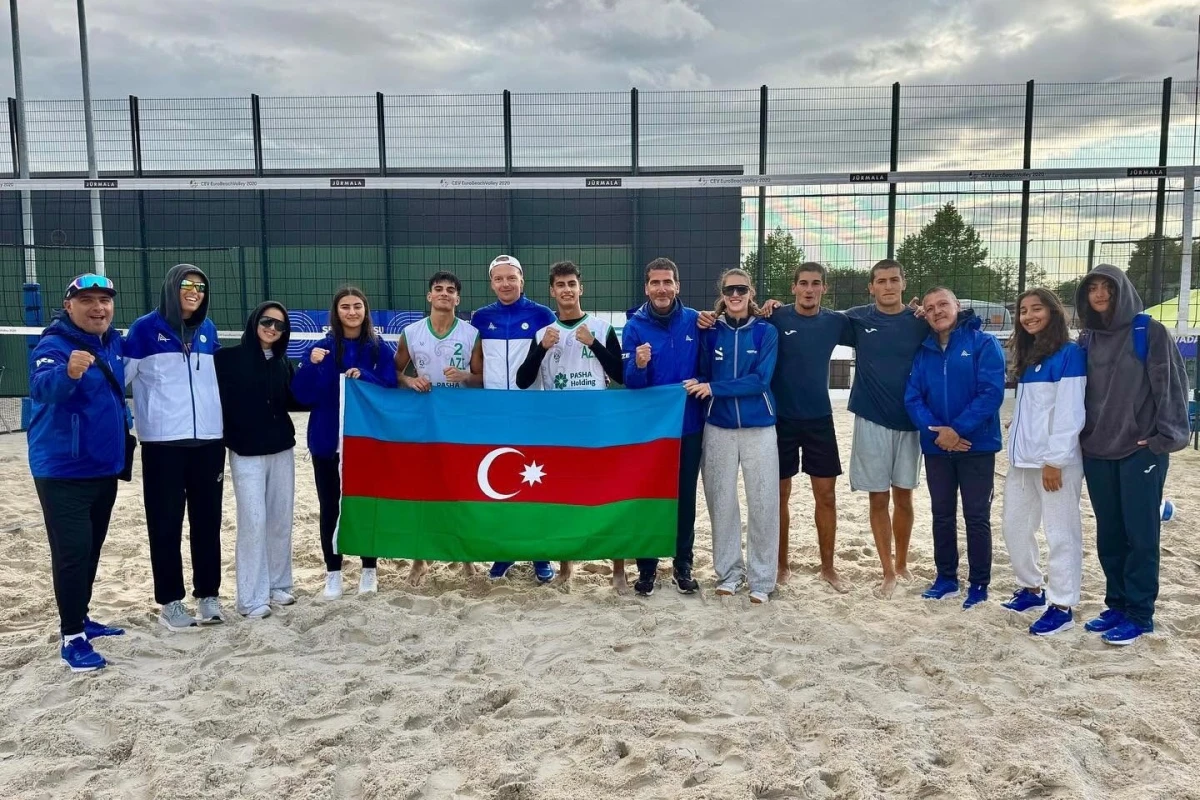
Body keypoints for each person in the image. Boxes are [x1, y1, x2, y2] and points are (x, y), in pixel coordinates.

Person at [1073, 265, 1190, 645]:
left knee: (1141, 535)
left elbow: (1171, 384)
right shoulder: (1087, 338)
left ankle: (1140, 614)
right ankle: (1117, 604)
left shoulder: (1148, 331)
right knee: (1110, 534)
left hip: (1141, 450)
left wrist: (1164, 438)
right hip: (1097, 450)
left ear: (1122, 289)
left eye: (1108, 286)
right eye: (1093, 287)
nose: (1101, 293)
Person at [28, 274, 129, 671]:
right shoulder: (54, 345)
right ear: (69, 306)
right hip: (62, 471)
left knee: (90, 549)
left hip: (103, 468)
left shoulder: (113, 342)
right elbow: (41, 388)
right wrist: (67, 373)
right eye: (87, 300)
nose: (98, 307)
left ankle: (82, 616)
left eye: (104, 300)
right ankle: (71, 636)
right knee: (71, 554)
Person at [124, 264, 225, 632]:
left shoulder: (208, 329)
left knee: (207, 522)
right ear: (172, 287)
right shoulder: (144, 329)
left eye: (200, 285)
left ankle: (208, 595)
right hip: (164, 445)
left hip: (209, 442)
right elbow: (119, 378)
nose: (194, 291)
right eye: (187, 284)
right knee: (165, 523)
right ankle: (170, 601)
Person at [516, 261, 624, 585]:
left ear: (581, 288)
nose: (566, 290)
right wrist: (541, 349)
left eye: (571, 284)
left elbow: (620, 375)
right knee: (563, 498)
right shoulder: (543, 334)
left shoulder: (600, 328)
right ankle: (566, 568)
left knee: (607, 496)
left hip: (596, 426)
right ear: (552, 291)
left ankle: (618, 569)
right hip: (560, 429)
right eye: (560, 285)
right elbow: (523, 381)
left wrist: (593, 343)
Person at [292, 286, 398, 600]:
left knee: (366, 504)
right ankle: (334, 572)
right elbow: (301, 394)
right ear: (336, 312)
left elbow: (390, 388)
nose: (351, 312)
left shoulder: (378, 349)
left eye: (357, 307)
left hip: (365, 441)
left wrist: (365, 376)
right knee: (330, 507)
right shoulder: (320, 348)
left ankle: (369, 569)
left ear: (365, 311)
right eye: (345, 307)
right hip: (326, 440)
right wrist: (311, 364)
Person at [755, 263, 855, 591]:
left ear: (824, 288)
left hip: (819, 419)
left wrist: (912, 312)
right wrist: (766, 304)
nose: (809, 289)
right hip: (781, 420)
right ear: (794, 287)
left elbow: (874, 320)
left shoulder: (835, 322)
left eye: (815, 284)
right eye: (803, 284)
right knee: (780, 495)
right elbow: (743, 316)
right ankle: (781, 565)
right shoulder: (777, 316)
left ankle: (828, 567)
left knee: (825, 496)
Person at [904, 287, 1005, 610]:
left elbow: (990, 393)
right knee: (941, 515)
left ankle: (979, 583)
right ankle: (946, 577)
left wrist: (957, 430)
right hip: (937, 448)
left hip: (975, 445)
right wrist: (938, 433)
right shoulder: (923, 351)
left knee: (976, 516)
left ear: (957, 306)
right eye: (930, 307)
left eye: (942, 304)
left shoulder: (983, 344)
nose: (936, 311)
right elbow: (913, 398)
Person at [685, 268, 780, 603]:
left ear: (751, 292)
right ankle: (729, 573)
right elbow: (700, 374)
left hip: (759, 428)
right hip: (718, 428)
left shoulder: (766, 332)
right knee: (721, 503)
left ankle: (762, 579)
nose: (735, 296)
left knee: (763, 503)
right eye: (729, 290)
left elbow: (760, 381)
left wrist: (714, 388)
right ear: (722, 294)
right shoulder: (710, 332)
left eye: (741, 289)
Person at [999, 289, 1087, 636]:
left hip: (1055, 462)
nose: (1028, 316)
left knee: (1061, 532)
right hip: (1023, 460)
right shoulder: (1031, 354)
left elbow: (1069, 413)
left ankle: (1062, 605)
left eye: (1036, 309)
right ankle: (1031, 588)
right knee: (1014, 526)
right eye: (1023, 310)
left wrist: (1055, 460)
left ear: (1053, 312)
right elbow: (1038, 408)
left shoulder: (1069, 354)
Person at [844, 260, 930, 598]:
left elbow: (957, 321)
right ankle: (887, 569)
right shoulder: (858, 318)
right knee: (878, 496)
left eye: (894, 279)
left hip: (910, 420)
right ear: (871, 287)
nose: (888, 286)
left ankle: (903, 562)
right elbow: (814, 319)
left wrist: (928, 310)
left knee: (904, 495)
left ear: (904, 284)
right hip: (871, 418)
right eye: (881, 281)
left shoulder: (919, 322)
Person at [470, 254, 557, 583]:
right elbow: (476, 369)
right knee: (501, 482)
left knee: (534, 483)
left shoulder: (541, 314)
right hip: (495, 414)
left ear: (522, 280)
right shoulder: (481, 318)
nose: (505, 283)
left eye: (511, 278)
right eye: (499, 278)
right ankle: (505, 550)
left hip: (532, 411)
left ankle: (540, 554)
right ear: (491, 282)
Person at [622, 257, 704, 597]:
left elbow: (710, 368)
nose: (661, 288)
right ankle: (647, 567)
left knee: (685, 498)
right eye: (655, 283)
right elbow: (629, 383)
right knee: (649, 497)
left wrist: (702, 380)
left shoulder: (697, 321)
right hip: (650, 432)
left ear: (677, 285)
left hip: (688, 425)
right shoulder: (634, 326)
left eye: (667, 281)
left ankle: (683, 564)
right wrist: (639, 366)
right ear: (646, 288)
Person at [214, 302, 302, 618]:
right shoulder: (226, 359)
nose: (272, 329)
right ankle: (250, 597)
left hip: (281, 449)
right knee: (253, 521)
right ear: (255, 322)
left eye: (280, 326)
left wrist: (319, 369)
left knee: (280, 519)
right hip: (245, 452)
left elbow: (297, 400)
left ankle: (278, 585)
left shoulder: (283, 364)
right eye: (267, 321)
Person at [394, 271, 482, 585]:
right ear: (429, 296)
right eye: (438, 289)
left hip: (459, 422)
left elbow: (481, 378)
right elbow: (395, 372)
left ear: (458, 299)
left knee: (460, 489)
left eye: (450, 290)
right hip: (425, 421)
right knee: (425, 489)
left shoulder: (471, 334)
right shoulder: (412, 332)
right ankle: (421, 558)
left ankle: (465, 556)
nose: (444, 294)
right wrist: (409, 379)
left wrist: (465, 377)